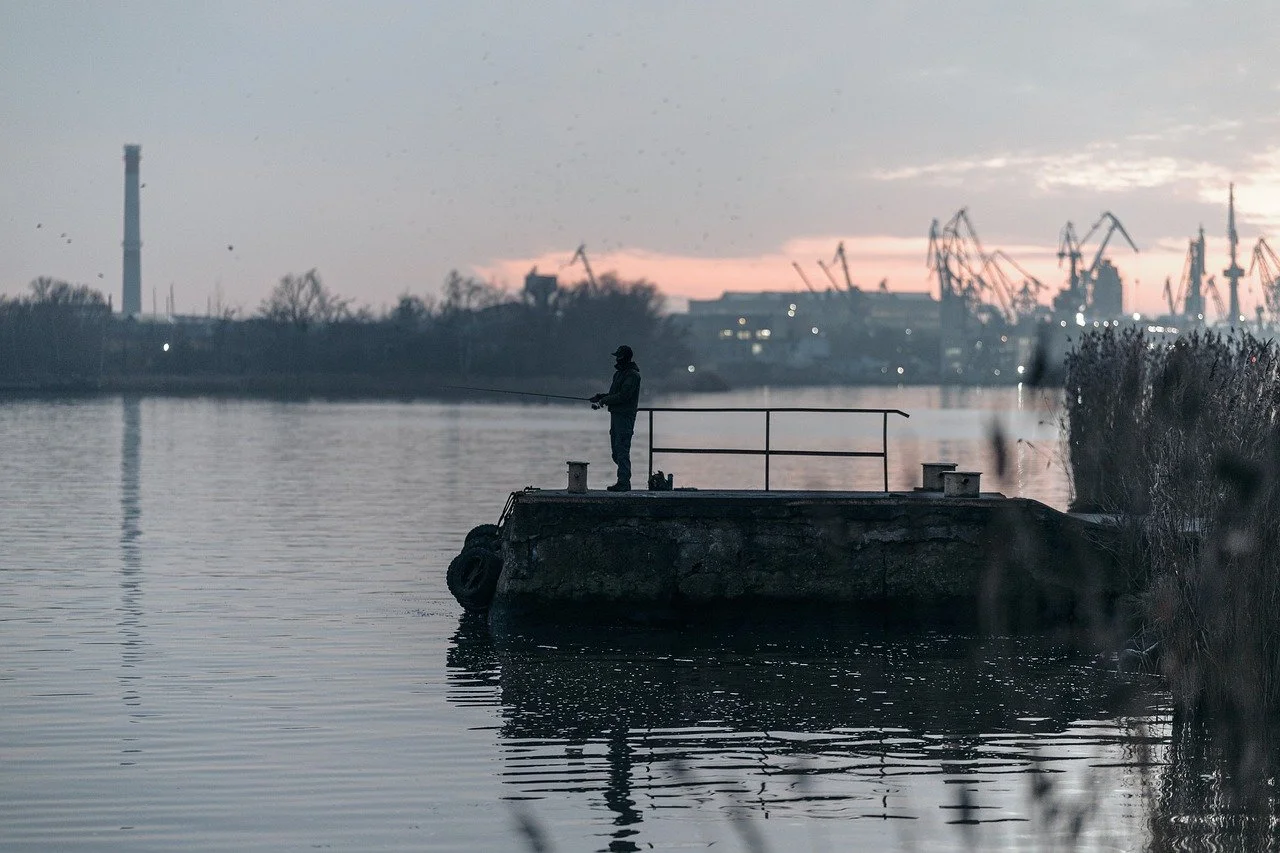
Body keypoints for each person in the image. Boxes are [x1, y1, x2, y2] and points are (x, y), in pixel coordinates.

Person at [590, 345, 642, 491]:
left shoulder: (632, 375)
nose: (616, 359)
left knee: (622, 448)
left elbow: (624, 396)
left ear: (624, 357)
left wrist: (604, 401)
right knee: (616, 452)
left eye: (618, 356)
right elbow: (614, 393)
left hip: (625, 417)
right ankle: (623, 479)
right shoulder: (619, 374)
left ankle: (624, 482)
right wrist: (600, 397)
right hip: (616, 415)